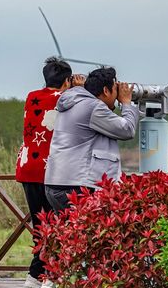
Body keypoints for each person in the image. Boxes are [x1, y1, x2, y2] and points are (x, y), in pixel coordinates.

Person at [17, 57, 85, 288]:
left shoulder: (31, 96)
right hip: (52, 171)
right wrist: (79, 88)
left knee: (41, 226)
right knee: (57, 225)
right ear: (67, 80)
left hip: (27, 167)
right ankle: (51, 278)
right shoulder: (67, 99)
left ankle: (35, 276)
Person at [44, 67, 139, 211]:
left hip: (56, 182)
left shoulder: (75, 102)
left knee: (68, 232)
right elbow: (127, 130)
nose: (118, 94)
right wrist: (126, 103)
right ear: (106, 91)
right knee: (86, 232)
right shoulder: (93, 107)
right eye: (115, 89)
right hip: (75, 187)